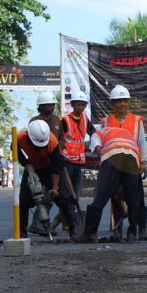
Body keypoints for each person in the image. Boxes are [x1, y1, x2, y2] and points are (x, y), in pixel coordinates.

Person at [75, 87, 146, 243]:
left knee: (133, 197)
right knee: (102, 195)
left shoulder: (136, 121)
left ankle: (132, 231)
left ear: (128, 102)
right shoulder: (106, 121)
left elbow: (141, 142)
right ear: (113, 103)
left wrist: (144, 162)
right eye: (118, 101)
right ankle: (94, 233)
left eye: (124, 101)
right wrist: (97, 147)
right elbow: (96, 136)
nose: (121, 104)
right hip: (112, 158)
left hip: (129, 159)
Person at [17, 119, 76, 242]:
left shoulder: (52, 142)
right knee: (23, 201)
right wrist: (26, 164)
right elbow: (17, 153)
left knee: (64, 198)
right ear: (29, 136)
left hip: (49, 169)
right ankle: (22, 233)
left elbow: (56, 167)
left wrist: (55, 188)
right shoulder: (19, 138)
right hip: (32, 168)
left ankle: (74, 230)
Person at [58, 87, 96, 233]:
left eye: (82, 104)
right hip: (67, 161)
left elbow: (93, 132)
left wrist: (96, 146)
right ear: (72, 104)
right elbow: (59, 138)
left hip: (79, 161)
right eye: (77, 104)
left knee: (76, 195)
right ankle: (67, 224)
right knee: (66, 194)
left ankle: (68, 223)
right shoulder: (65, 120)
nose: (80, 107)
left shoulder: (85, 119)